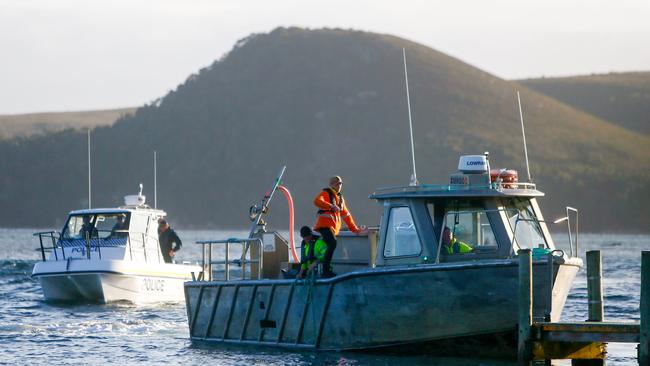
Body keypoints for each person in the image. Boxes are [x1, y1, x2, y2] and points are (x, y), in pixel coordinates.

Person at [313, 175, 367, 278]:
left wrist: (355, 229)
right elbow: (317, 201)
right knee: (333, 243)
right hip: (324, 226)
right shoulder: (326, 193)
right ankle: (325, 271)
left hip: (332, 228)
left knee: (331, 245)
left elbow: (346, 215)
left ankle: (324, 268)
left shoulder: (340, 198)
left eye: (340, 183)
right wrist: (331, 206)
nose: (339, 185)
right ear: (331, 184)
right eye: (337, 183)